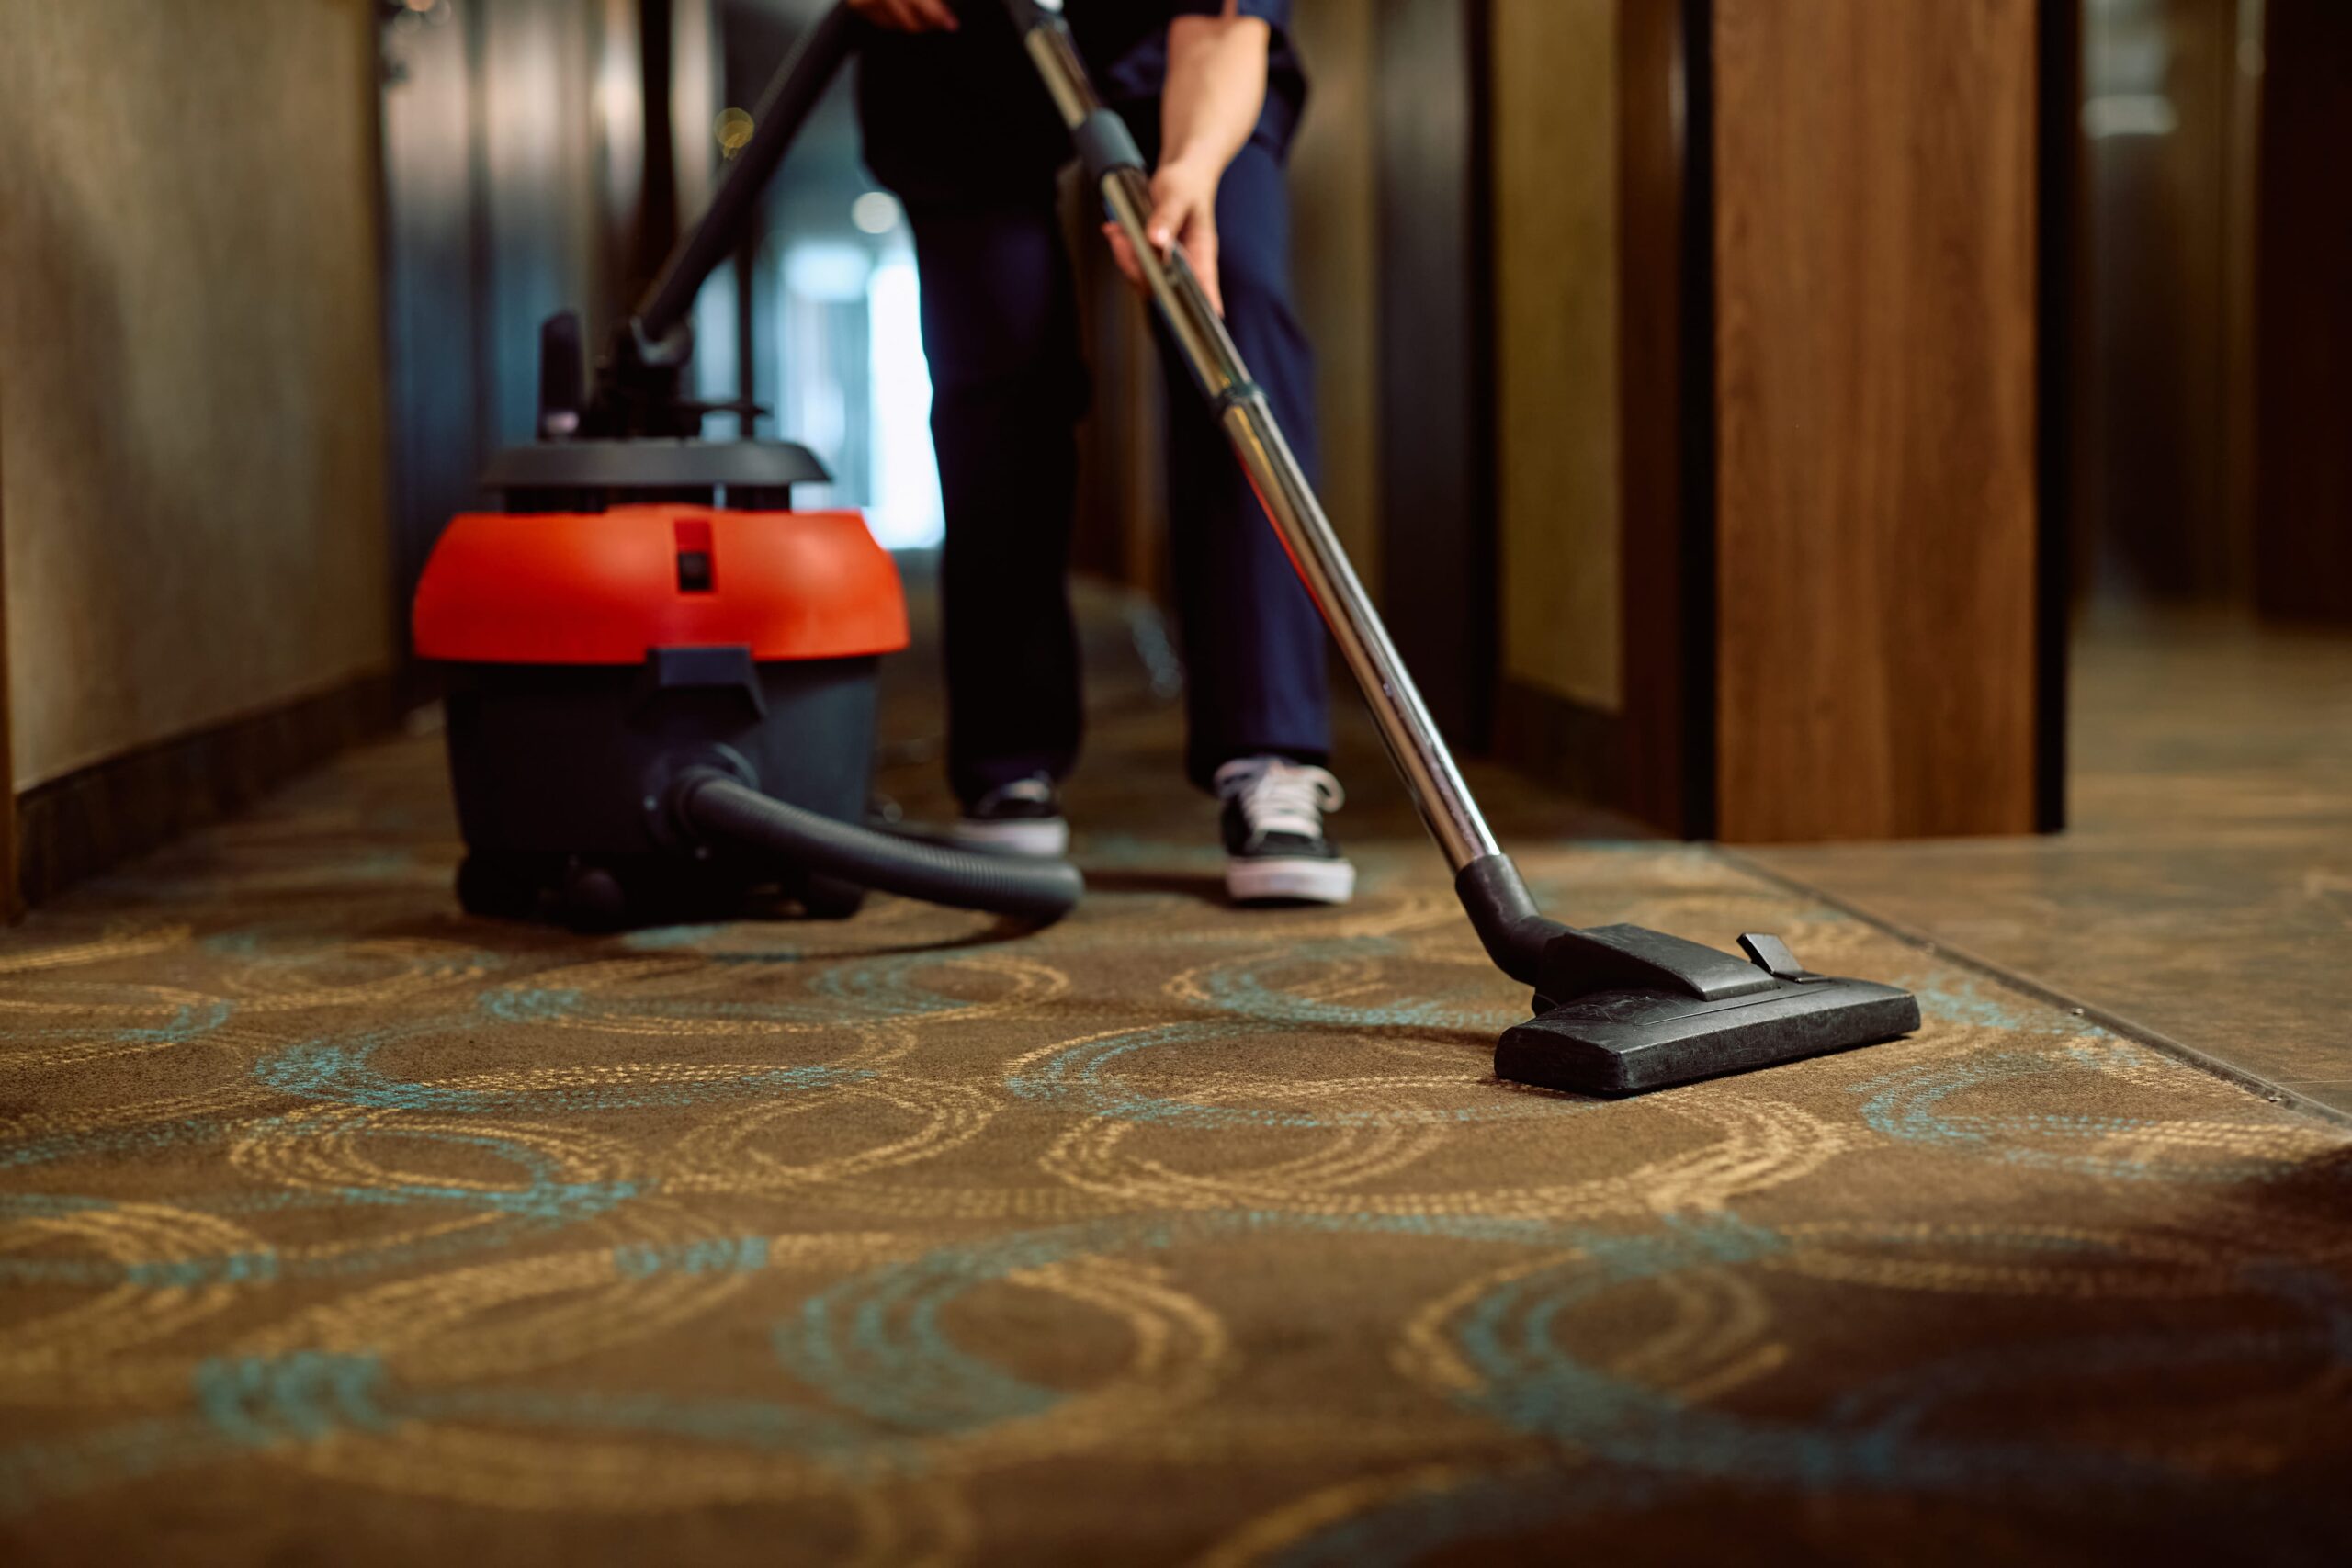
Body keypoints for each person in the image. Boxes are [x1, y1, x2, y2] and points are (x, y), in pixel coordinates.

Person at [852, 0, 1352, 905]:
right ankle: (1009, 759)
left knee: (1227, 296)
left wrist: (1193, 167)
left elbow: (1228, 21)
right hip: (950, 46)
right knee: (999, 358)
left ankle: (1268, 752)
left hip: (1166, 34)